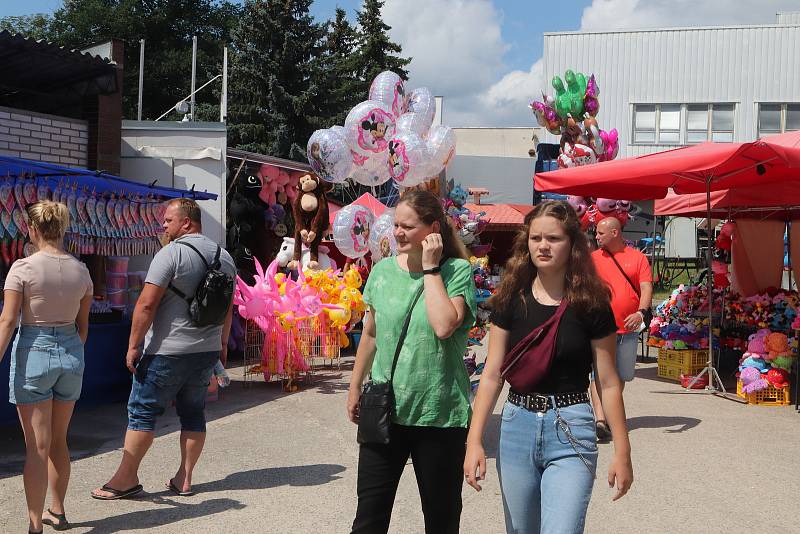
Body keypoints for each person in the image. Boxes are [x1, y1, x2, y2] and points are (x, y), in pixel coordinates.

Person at [464, 201, 633, 534]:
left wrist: (623, 450)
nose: (543, 245)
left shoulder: (592, 303)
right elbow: (492, 374)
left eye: (553, 238)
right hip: (517, 427)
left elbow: (608, 382)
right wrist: (475, 442)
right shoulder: (511, 299)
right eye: (536, 237)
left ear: (572, 243)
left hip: (572, 427)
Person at [346, 190, 477, 534]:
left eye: (408, 226)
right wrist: (355, 385)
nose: (397, 233)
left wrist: (432, 268)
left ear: (433, 228)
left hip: (439, 413)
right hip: (385, 408)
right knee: (369, 519)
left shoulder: (457, 271)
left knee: (441, 519)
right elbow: (371, 333)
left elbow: (444, 325)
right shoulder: (382, 271)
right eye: (395, 225)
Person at [92, 198, 235, 500]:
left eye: (168, 220)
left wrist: (133, 346)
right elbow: (228, 308)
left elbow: (146, 303)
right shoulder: (225, 258)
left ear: (187, 222)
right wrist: (222, 345)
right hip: (205, 352)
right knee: (194, 413)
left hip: (167, 351)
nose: (163, 226)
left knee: (143, 413)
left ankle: (126, 479)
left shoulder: (170, 254)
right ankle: (184, 478)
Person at [0, 200, 93, 533]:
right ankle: (59, 510)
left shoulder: (23, 269)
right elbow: (83, 326)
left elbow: (8, 321)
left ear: (31, 229)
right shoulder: (80, 270)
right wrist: (69, 348)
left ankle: (35, 524)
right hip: (70, 352)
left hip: (34, 351)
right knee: (59, 440)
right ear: (62, 229)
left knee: (36, 448)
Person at [591, 217, 652, 441]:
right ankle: (600, 419)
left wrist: (641, 312)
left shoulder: (638, 258)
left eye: (600, 233)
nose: (596, 237)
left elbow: (646, 288)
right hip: (599, 329)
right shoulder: (592, 259)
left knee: (622, 374)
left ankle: (608, 411)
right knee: (598, 373)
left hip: (628, 327)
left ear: (615, 233)